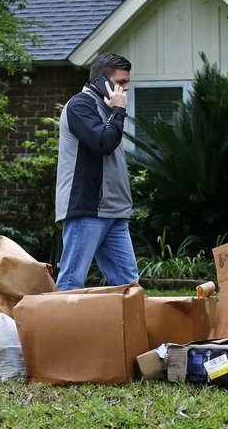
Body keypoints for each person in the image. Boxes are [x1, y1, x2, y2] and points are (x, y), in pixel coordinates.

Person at [55, 52, 139, 290]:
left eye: (127, 82)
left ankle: (128, 328)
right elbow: (104, 143)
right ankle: (61, 328)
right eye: (121, 82)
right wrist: (119, 111)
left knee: (129, 285)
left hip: (115, 211)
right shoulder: (80, 105)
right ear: (102, 81)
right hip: (88, 209)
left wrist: (115, 110)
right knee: (72, 281)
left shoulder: (107, 108)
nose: (126, 88)